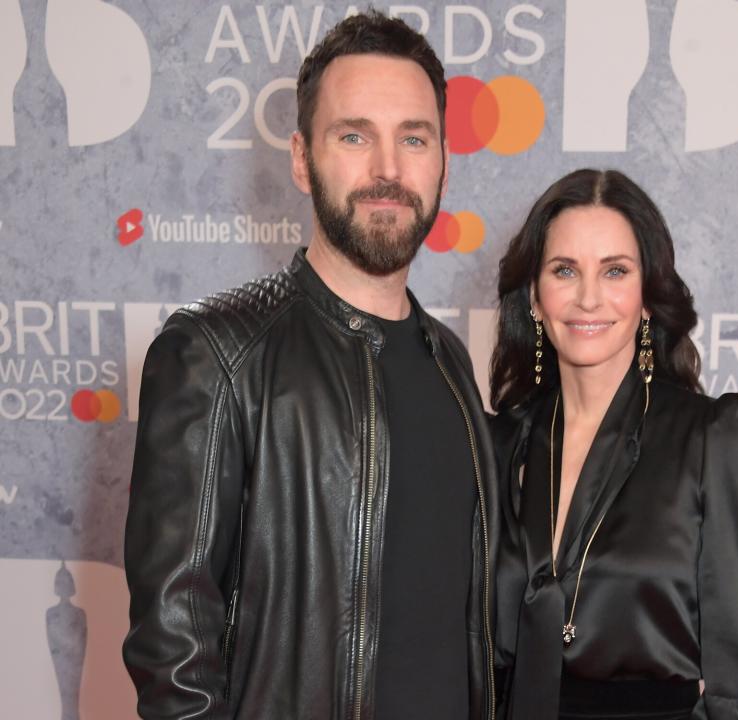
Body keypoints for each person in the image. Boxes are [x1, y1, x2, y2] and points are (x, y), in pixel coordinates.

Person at [123, 12, 499, 720]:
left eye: (413, 138)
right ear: (301, 157)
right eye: (354, 135)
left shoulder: (450, 362)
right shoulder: (215, 353)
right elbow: (174, 656)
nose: (388, 169)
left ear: (444, 159)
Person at [489, 169, 738, 720]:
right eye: (564, 270)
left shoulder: (715, 441)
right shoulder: (494, 445)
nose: (588, 297)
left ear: (647, 296)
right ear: (534, 295)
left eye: (615, 271)